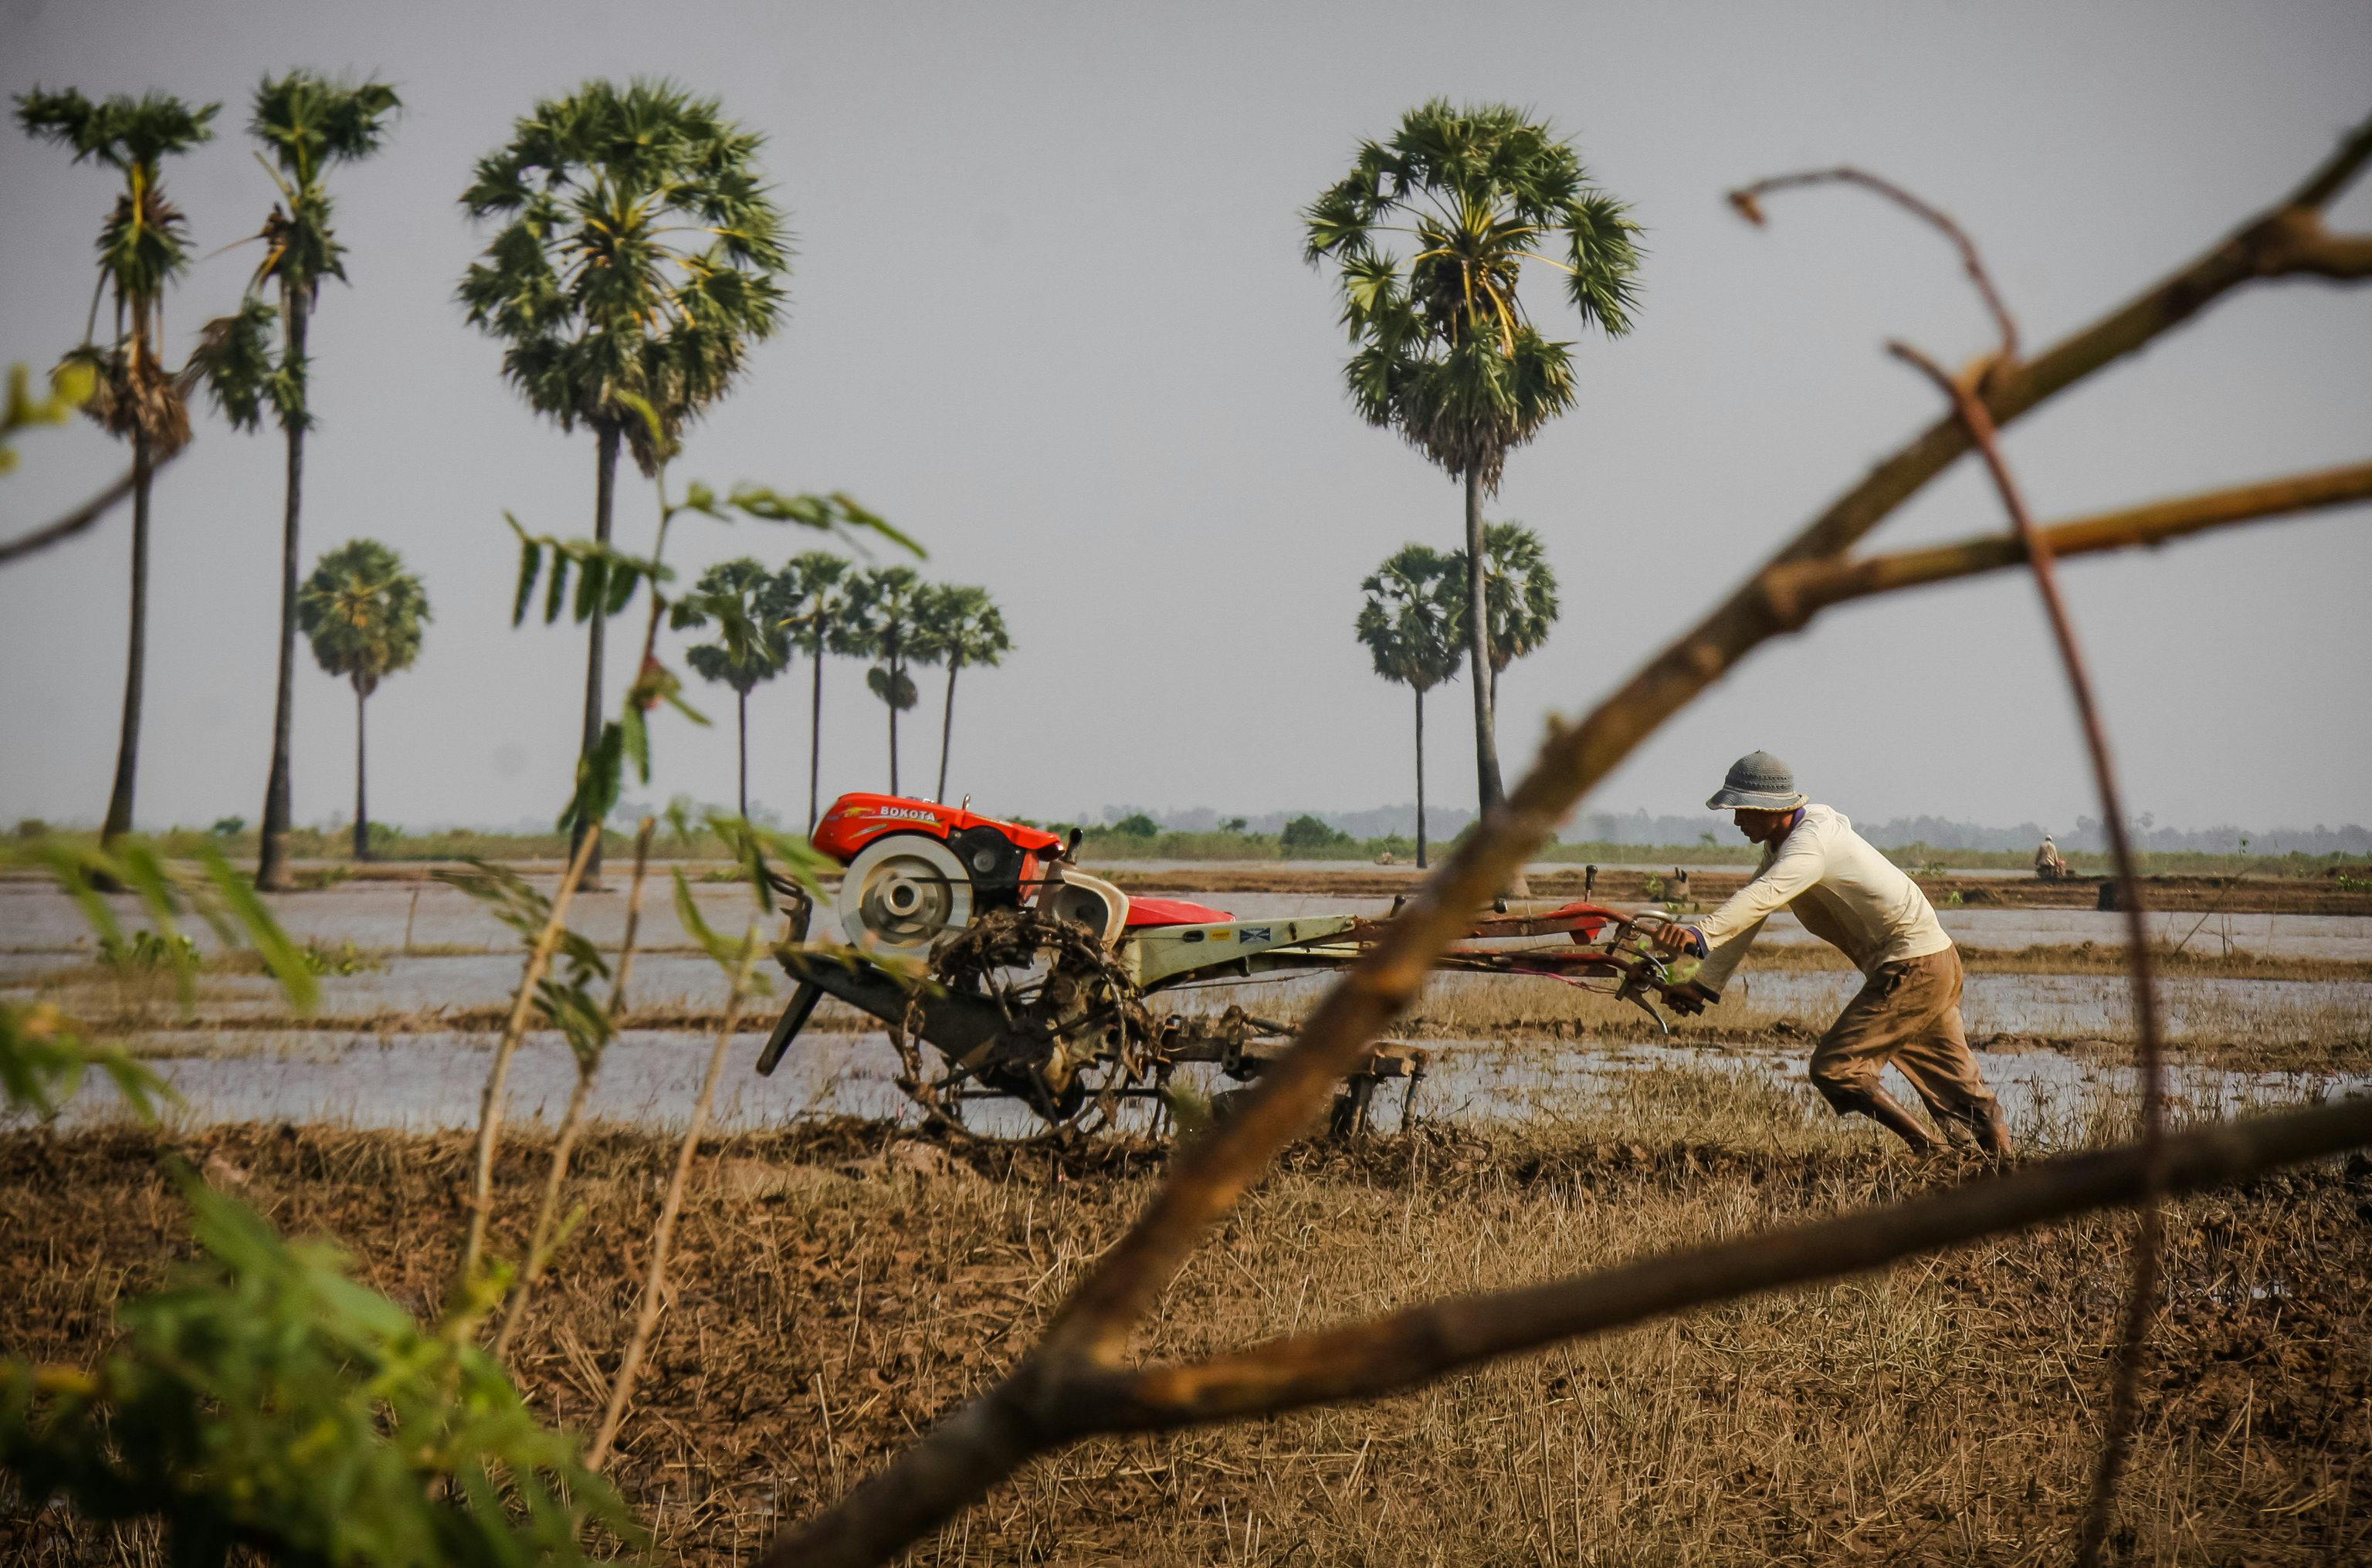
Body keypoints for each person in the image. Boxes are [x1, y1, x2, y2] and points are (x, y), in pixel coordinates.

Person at [1655, 751, 2011, 1157]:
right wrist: (1703, 985)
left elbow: (1762, 896)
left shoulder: (1810, 847)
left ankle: (1930, 1152)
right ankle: (2006, 1174)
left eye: (1743, 810)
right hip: (1930, 962)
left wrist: (1698, 934)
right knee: (1959, 1085)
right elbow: (1752, 913)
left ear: (1773, 808)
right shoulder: (1791, 841)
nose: (1737, 821)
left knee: (1836, 1068)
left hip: (1914, 967)